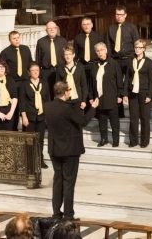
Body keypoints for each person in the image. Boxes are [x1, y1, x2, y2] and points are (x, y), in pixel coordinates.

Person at [44, 81, 99, 220]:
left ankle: (56, 213)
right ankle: (68, 215)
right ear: (66, 92)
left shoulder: (48, 106)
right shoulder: (68, 108)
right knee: (69, 182)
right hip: (70, 151)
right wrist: (93, 108)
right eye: (69, 90)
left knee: (58, 180)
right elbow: (83, 121)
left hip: (54, 149)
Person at [105, 5, 139, 118]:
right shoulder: (110, 28)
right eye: (117, 14)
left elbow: (137, 43)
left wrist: (136, 59)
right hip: (115, 60)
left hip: (129, 59)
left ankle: (133, 111)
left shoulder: (132, 27)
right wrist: (109, 60)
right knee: (116, 84)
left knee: (129, 84)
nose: (118, 17)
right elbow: (108, 46)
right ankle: (119, 112)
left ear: (125, 15)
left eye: (121, 15)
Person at [89, 42, 123, 147]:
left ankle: (115, 140)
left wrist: (119, 96)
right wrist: (91, 97)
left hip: (111, 97)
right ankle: (104, 139)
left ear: (106, 50)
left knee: (114, 120)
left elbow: (119, 81)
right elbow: (91, 83)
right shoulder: (94, 65)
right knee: (102, 120)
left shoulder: (113, 63)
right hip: (99, 98)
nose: (100, 52)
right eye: (97, 51)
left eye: (102, 50)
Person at [0, 30, 33, 130]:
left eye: (18, 37)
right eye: (14, 38)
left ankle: (26, 128)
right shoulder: (5, 52)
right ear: (10, 40)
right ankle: (13, 129)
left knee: (26, 105)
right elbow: (2, 69)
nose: (17, 40)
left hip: (25, 81)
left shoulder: (26, 49)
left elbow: (30, 64)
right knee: (14, 106)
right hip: (12, 82)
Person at [123, 39, 152, 148]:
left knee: (145, 118)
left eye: (140, 47)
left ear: (144, 49)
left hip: (144, 92)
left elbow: (151, 80)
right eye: (136, 47)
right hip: (132, 93)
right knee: (133, 118)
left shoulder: (149, 62)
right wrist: (125, 94)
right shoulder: (130, 61)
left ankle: (144, 141)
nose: (137, 49)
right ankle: (133, 140)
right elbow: (127, 78)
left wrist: (150, 95)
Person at [20, 62, 50, 168]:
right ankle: (29, 162)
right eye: (33, 70)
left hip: (41, 116)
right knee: (29, 140)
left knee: (40, 139)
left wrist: (48, 116)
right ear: (29, 72)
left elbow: (47, 100)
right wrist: (24, 116)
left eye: (37, 70)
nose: (35, 72)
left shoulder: (44, 83)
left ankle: (40, 160)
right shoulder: (24, 84)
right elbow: (22, 102)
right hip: (29, 117)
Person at [36, 20, 68, 99]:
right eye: (49, 28)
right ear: (46, 30)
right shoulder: (40, 42)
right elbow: (38, 59)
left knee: (61, 93)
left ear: (56, 29)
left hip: (60, 70)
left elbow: (67, 57)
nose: (52, 30)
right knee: (47, 94)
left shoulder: (63, 41)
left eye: (54, 28)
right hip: (46, 72)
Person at [73, 16, 104, 86]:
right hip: (82, 65)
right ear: (81, 26)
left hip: (95, 64)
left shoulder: (98, 36)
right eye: (84, 24)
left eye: (88, 24)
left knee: (95, 84)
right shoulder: (78, 38)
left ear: (92, 25)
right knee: (84, 85)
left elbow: (102, 52)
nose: (86, 26)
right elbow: (75, 53)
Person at [56, 44, 88, 109]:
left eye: (69, 54)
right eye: (66, 54)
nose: (68, 57)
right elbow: (58, 87)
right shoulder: (60, 68)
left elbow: (84, 85)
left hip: (78, 100)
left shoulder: (80, 67)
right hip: (65, 100)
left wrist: (84, 101)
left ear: (73, 55)